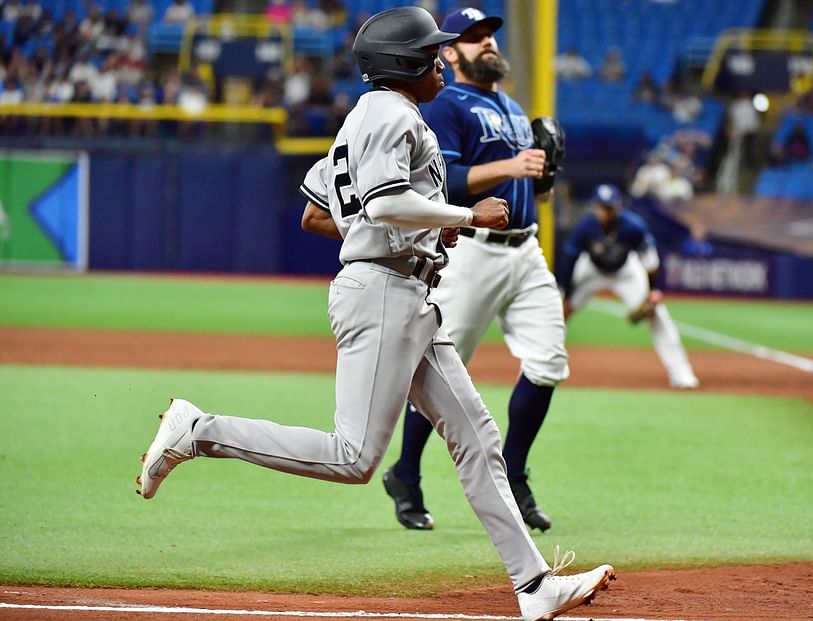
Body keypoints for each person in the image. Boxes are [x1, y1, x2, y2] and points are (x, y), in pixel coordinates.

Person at [136, 7, 615, 621]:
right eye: (432, 52)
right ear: (404, 63)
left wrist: (418, 234)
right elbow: (388, 204)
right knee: (354, 458)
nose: (441, 59)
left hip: (407, 291)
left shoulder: (368, 119)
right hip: (383, 293)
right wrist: (466, 217)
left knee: (476, 436)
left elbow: (321, 211)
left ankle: (533, 585)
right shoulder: (390, 113)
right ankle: (198, 431)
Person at [381, 7, 568, 534]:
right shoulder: (446, 103)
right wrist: (512, 167)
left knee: (548, 361)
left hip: (526, 251)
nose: (486, 43)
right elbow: (447, 180)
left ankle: (512, 477)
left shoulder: (510, 106)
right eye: (473, 37)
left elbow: (534, 188)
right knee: (442, 368)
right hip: (472, 250)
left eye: (489, 35)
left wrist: (543, 176)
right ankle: (406, 474)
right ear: (449, 52)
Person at [560, 184, 699, 390]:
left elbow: (650, 261)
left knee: (657, 315)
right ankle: (548, 366)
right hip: (591, 270)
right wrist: (567, 294)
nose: (604, 212)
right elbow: (570, 259)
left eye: (608, 207)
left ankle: (681, 373)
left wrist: (654, 290)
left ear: (617, 207)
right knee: (558, 312)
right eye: (600, 206)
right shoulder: (585, 227)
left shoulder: (633, 226)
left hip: (626, 272)